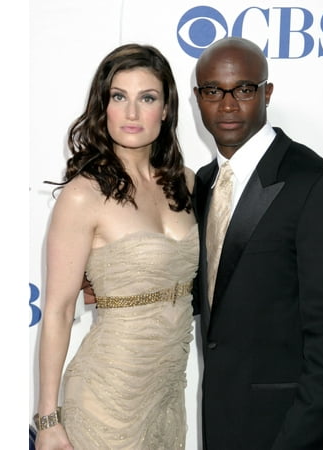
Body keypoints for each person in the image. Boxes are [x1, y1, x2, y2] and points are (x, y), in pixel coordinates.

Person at [34, 43, 199, 450]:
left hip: (167, 397)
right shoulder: (82, 196)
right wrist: (47, 418)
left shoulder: (188, 184)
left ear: (165, 109)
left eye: (147, 98)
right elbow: (56, 310)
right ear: (103, 106)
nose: (131, 113)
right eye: (118, 97)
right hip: (104, 400)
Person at [192, 37, 323, 449]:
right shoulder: (202, 182)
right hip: (220, 420)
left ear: (266, 92)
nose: (228, 105)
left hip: (286, 427)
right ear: (199, 98)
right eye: (214, 91)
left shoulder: (314, 181)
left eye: (244, 89)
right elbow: (215, 290)